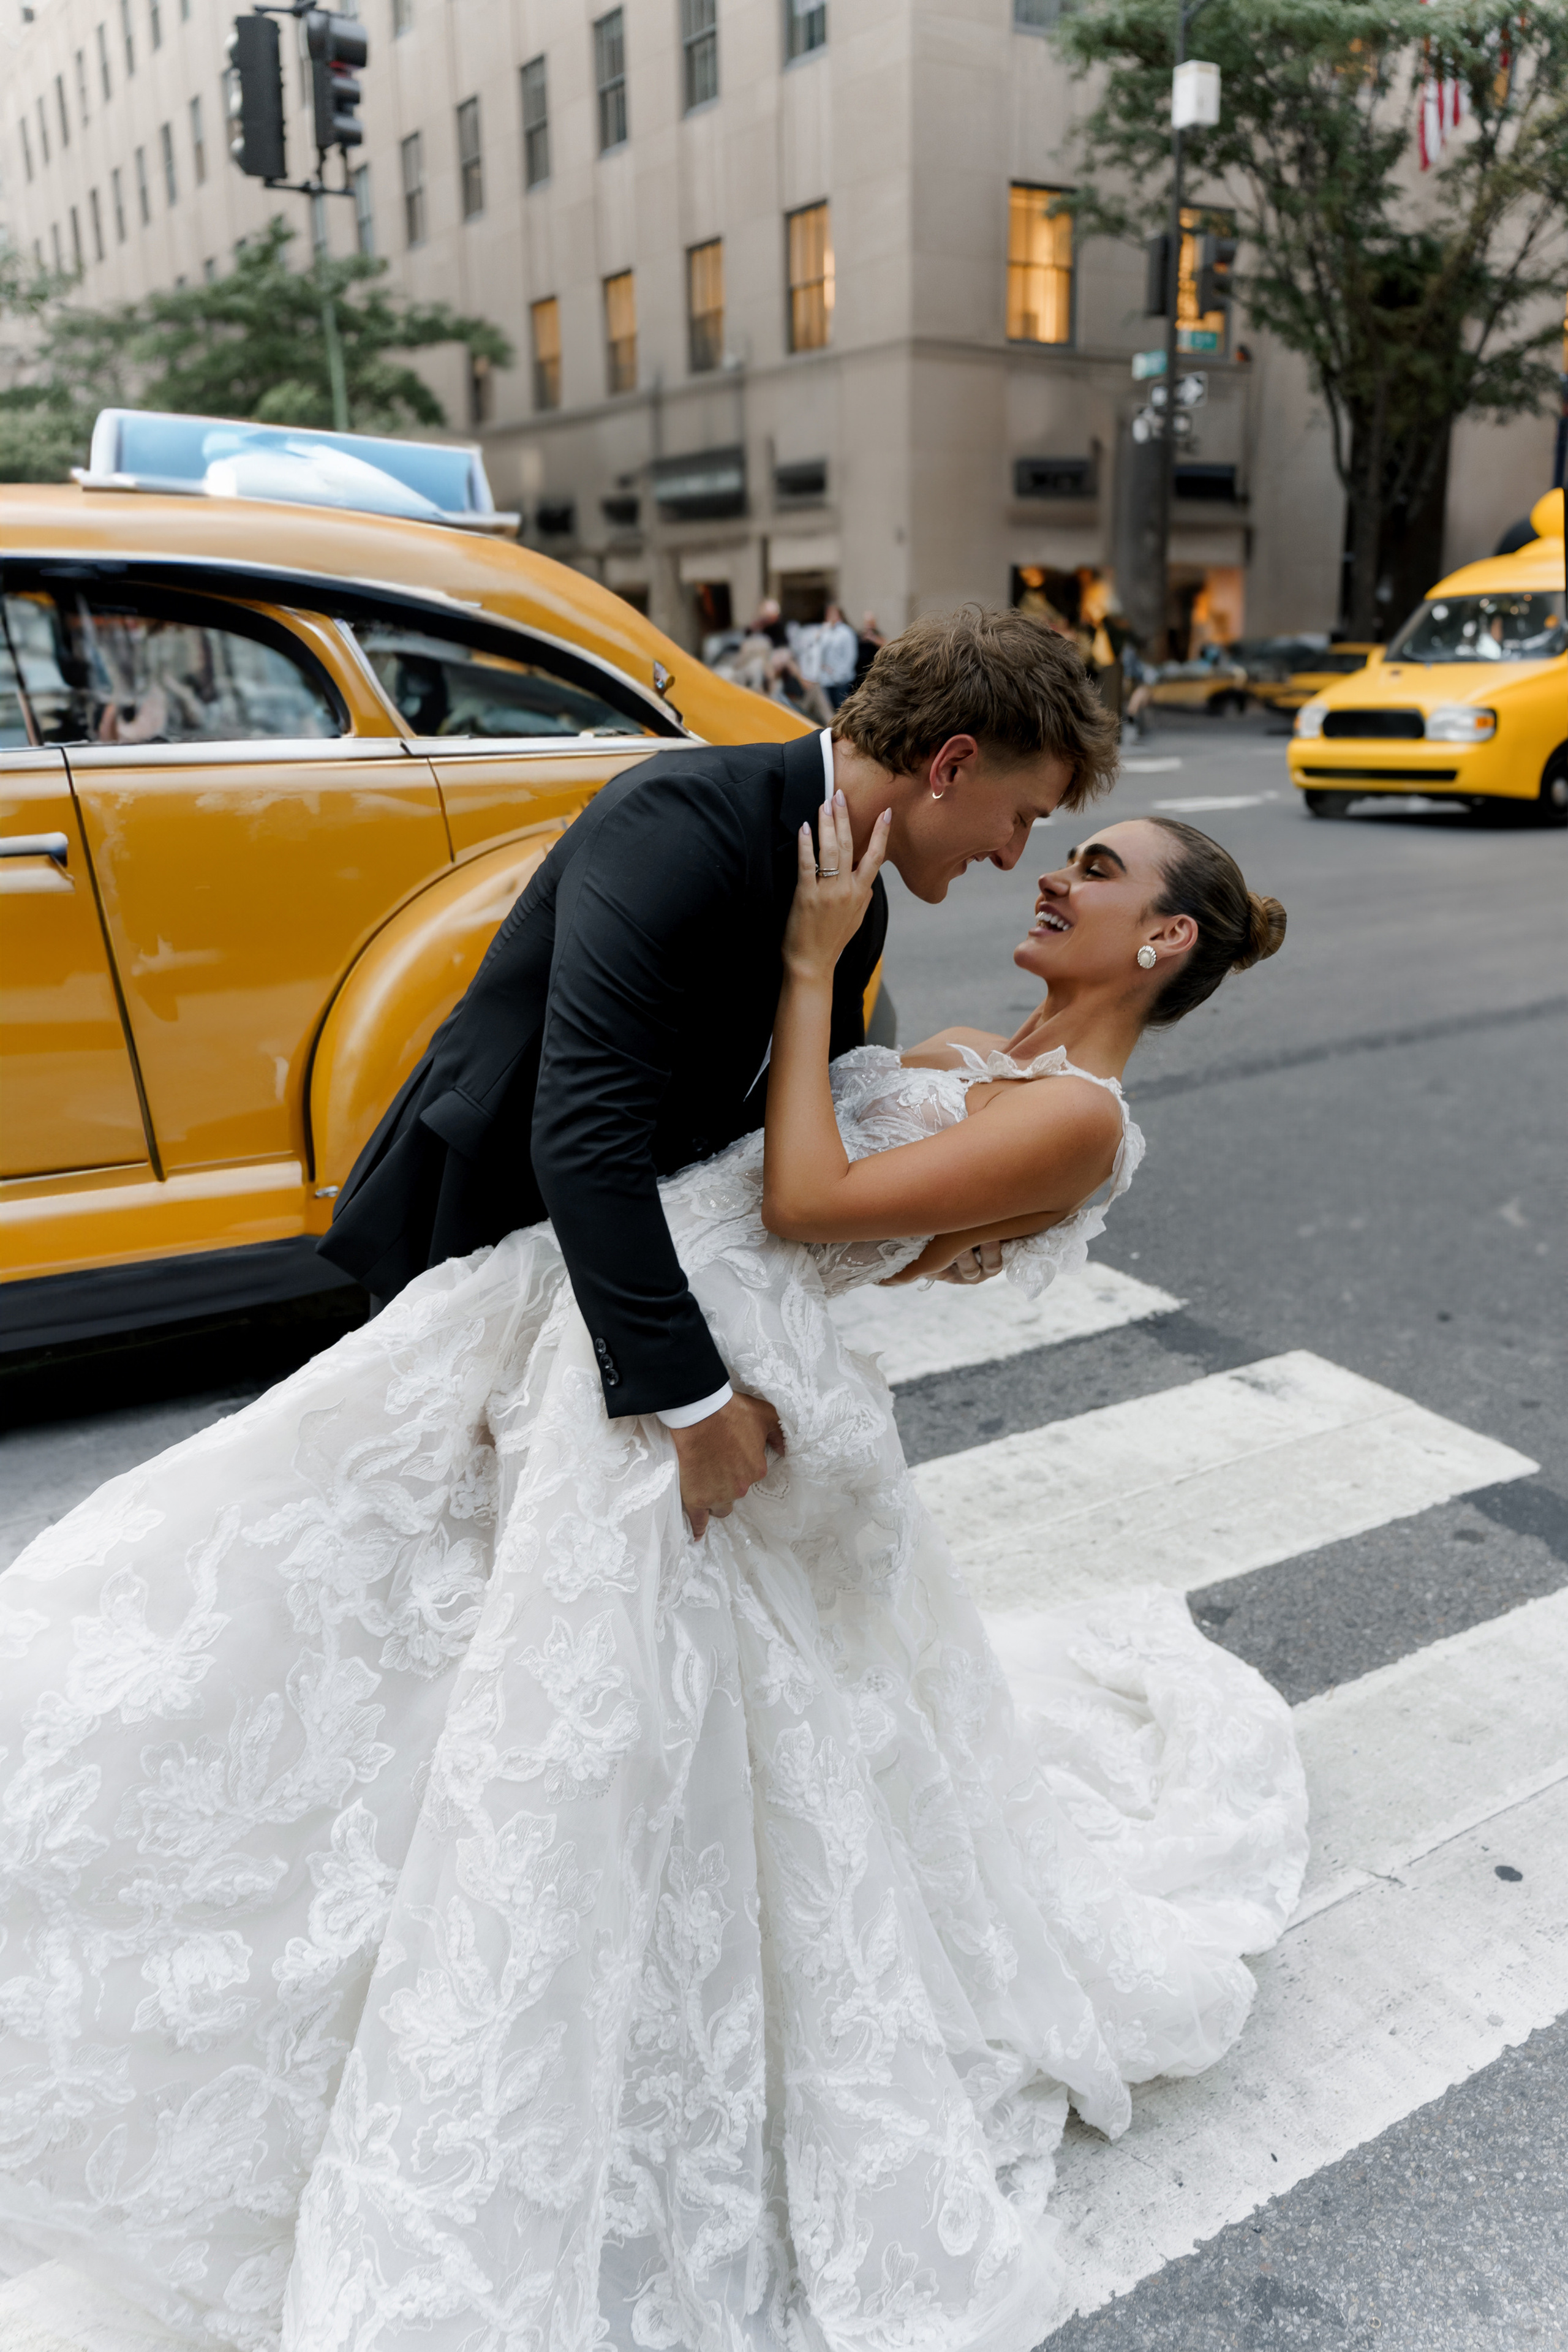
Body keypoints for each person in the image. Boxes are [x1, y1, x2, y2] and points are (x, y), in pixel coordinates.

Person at [0, 765, 1305, 2348]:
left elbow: (806, 1196)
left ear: (1163, 942)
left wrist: (811, 969)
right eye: (1047, 839)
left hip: (719, 1377)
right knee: (369, 1602)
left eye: (1090, 866)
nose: (1046, 871)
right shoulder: (986, 1060)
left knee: (608, 1729)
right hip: (636, 1318)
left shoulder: (1081, 1122)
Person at [317, 608, 1110, 1541]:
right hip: (479, 1242)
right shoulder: (680, 821)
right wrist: (695, 1404)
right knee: (433, 1572)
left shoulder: (858, 904)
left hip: (627, 1272)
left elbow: (799, 1146)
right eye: (1023, 817)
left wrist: (937, 1240)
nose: (1013, 855)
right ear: (951, 766)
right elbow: (583, 1132)